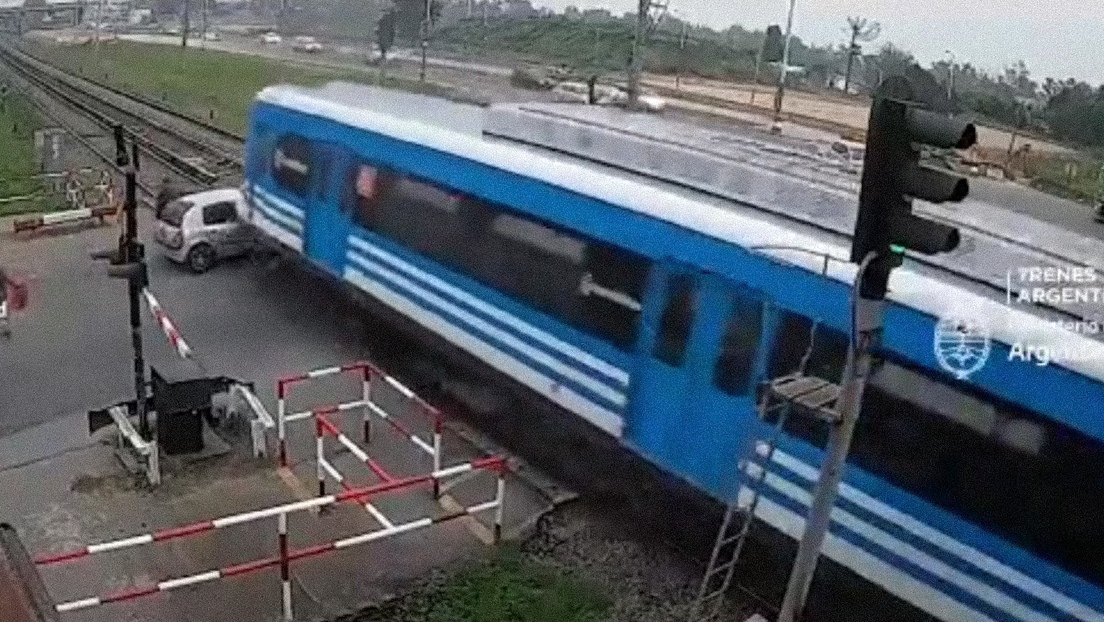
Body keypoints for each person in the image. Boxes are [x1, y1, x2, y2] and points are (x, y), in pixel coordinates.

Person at [0, 265, 10, 338]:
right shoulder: (2, 275)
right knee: (3, 311)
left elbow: (7, 281)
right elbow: (7, 281)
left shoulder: (2, 275)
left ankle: (3, 327)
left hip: (2, 295)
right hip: (2, 295)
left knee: (3, 310)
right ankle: (3, 327)